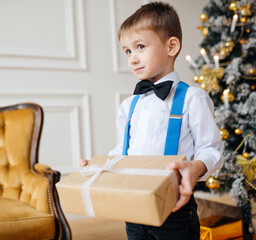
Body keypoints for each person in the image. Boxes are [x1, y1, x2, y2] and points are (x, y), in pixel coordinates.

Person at [80, 2, 223, 239]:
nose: (133, 58)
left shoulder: (193, 99)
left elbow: (211, 150)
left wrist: (195, 167)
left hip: (175, 210)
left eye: (140, 47)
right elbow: (123, 151)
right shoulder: (129, 105)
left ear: (172, 46)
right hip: (133, 206)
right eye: (127, 51)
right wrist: (99, 167)